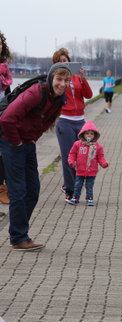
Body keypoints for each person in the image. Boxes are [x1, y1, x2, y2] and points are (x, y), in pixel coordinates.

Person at [0, 63, 71, 250]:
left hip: (27, 143)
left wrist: (31, 140)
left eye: (66, 81)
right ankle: (19, 238)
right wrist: (16, 142)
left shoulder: (59, 99)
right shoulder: (36, 93)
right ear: (51, 78)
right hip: (10, 140)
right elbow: (6, 119)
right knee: (18, 191)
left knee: (32, 190)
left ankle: (19, 232)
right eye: (59, 79)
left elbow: (45, 123)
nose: (62, 84)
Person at [52, 48, 93, 202]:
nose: (65, 64)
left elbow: (88, 95)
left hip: (80, 121)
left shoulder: (76, 77)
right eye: (61, 62)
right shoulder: (56, 80)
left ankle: (70, 185)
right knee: (69, 156)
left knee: (80, 156)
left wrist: (82, 79)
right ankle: (70, 190)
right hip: (64, 120)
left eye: (67, 61)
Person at [67, 121, 108, 206]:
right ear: (83, 134)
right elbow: (72, 154)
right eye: (87, 134)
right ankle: (75, 197)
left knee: (89, 185)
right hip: (80, 169)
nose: (89, 135)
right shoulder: (77, 144)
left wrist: (103, 163)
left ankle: (89, 198)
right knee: (78, 185)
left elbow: (100, 156)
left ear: (95, 135)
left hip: (91, 170)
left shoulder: (97, 146)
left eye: (91, 134)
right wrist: (71, 161)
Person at [0, 31, 13, 207]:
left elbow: (7, 93)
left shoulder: (4, 68)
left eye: (0, 43)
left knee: (3, 152)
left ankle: (2, 188)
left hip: (1, 112)